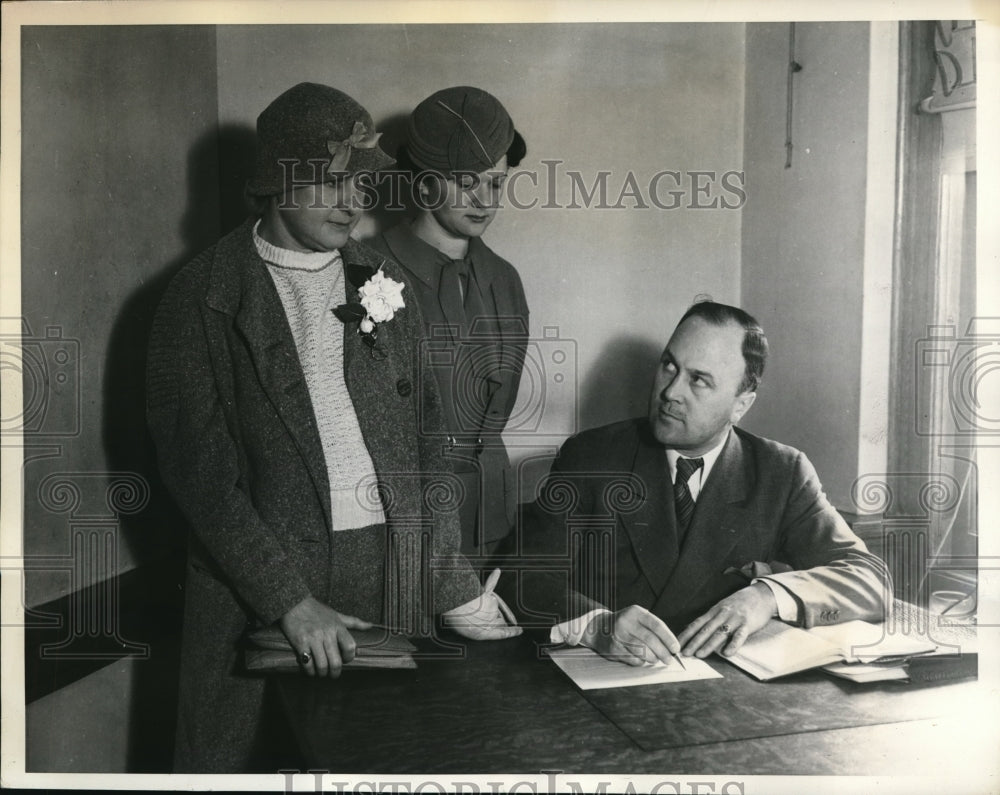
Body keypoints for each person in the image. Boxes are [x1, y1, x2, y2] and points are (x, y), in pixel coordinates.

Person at [147, 82, 518, 773]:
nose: (354, 203)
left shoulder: (379, 280)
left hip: (389, 583)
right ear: (275, 183)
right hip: (260, 599)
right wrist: (288, 601)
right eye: (329, 183)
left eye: (363, 185)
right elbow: (201, 479)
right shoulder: (199, 296)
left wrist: (451, 584)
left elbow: (426, 450)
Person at [518, 301, 891, 665]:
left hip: (725, 697)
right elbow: (520, 575)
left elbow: (869, 579)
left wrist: (765, 597)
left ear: (740, 405)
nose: (670, 392)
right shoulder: (593, 456)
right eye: (669, 366)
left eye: (698, 380)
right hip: (601, 685)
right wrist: (596, 626)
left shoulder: (782, 472)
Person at [371, 86, 529, 560]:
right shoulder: (369, 272)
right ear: (423, 186)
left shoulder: (505, 279)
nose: (485, 199)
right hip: (403, 522)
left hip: (490, 519)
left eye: (496, 183)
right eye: (466, 181)